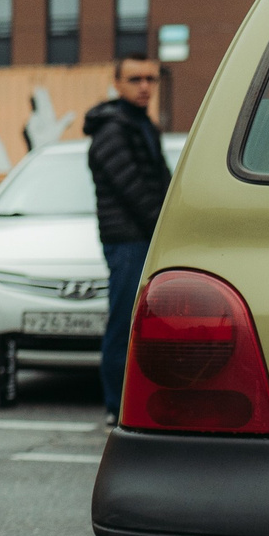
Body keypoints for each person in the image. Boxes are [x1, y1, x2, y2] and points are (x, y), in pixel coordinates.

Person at [87, 57, 170, 419]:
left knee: (144, 324)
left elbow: (162, 182)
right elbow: (133, 190)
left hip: (144, 238)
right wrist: (163, 226)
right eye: (135, 79)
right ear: (117, 83)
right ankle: (114, 405)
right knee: (124, 323)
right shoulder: (112, 130)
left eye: (150, 79)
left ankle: (134, 403)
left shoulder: (142, 126)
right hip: (127, 241)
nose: (144, 86)